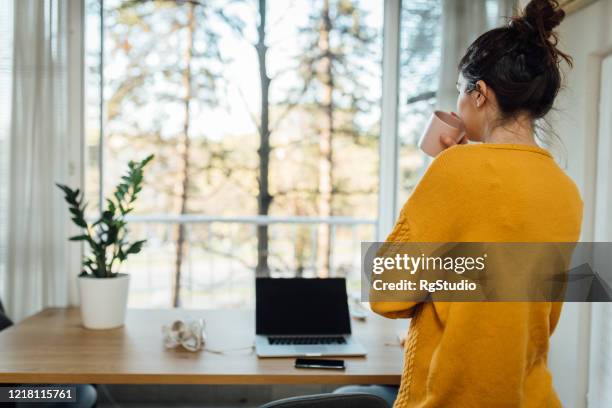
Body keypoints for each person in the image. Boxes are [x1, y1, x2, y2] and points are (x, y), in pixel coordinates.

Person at [335, 0, 582, 406]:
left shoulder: (455, 171)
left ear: (480, 93)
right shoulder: (565, 191)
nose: (458, 104)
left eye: (459, 91)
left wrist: (446, 169)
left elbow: (386, 292)